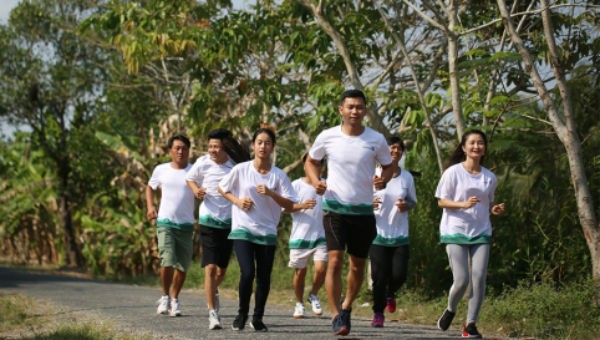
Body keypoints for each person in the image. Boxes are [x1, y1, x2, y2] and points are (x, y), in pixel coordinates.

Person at [305, 89, 393, 336]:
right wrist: (315, 181)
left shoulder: (376, 139)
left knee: (357, 266)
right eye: (350, 107)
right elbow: (311, 161)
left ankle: (346, 307)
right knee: (334, 260)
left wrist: (382, 180)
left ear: (365, 110)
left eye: (359, 107)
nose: (355, 111)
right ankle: (335, 315)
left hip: (363, 212)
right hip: (334, 209)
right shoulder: (328, 136)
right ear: (341, 110)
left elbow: (388, 167)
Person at [218, 127, 296, 332]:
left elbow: (289, 205)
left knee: (264, 277)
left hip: (267, 232)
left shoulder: (278, 176)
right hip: (243, 228)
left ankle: (258, 317)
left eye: (267, 143)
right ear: (253, 145)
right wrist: (238, 201)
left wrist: (272, 194)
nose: (263, 146)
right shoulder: (241, 169)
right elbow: (222, 189)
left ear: (272, 147)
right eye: (259, 142)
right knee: (247, 272)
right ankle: (242, 313)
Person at [435, 129, 505, 338]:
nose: (476, 146)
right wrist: (463, 204)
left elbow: (488, 203)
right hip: (455, 230)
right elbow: (441, 201)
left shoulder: (489, 177)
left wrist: (495, 210)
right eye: (472, 143)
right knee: (462, 280)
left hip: (481, 231)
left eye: (480, 143)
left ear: (484, 148)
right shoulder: (453, 173)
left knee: (479, 277)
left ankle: (470, 324)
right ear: (464, 147)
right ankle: (450, 309)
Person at [185, 128, 249, 330]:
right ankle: (213, 313)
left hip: (230, 222)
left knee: (221, 270)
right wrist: (196, 190)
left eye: (216, 147)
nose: (212, 150)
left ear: (225, 148)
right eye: (210, 146)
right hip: (208, 221)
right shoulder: (202, 162)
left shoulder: (234, 165)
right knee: (210, 268)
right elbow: (190, 178)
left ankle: (213, 291)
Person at [369, 136, 417, 328]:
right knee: (378, 277)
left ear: (402, 153)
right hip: (377, 234)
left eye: (398, 149)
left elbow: (413, 201)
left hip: (400, 234)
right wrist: (368, 202)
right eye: (391, 148)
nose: (395, 151)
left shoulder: (407, 177)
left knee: (399, 275)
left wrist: (406, 205)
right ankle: (378, 313)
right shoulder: (372, 174)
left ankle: (390, 292)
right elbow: (360, 197)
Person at [145, 134, 195, 317]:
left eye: (184, 148)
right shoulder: (161, 169)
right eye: (177, 148)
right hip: (165, 222)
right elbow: (150, 187)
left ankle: (175, 298)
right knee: (167, 260)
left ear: (189, 151)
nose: (181, 151)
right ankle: (165, 296)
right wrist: (151, 206)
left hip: (187, 225)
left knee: (182, 266)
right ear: (170, 151)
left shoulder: (194, 171)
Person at [285, 154, 327, 319]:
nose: (315, 168)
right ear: (305, 166)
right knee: (300, 272)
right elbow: (286, 207)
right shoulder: (295, 185)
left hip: (321, 234)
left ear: (322, 168)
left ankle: (314, 294)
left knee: (321, 268)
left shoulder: (326, 185)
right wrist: (302, 205)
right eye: (312, 164)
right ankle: (299, 303)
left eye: (319, 165)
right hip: (300, 235)